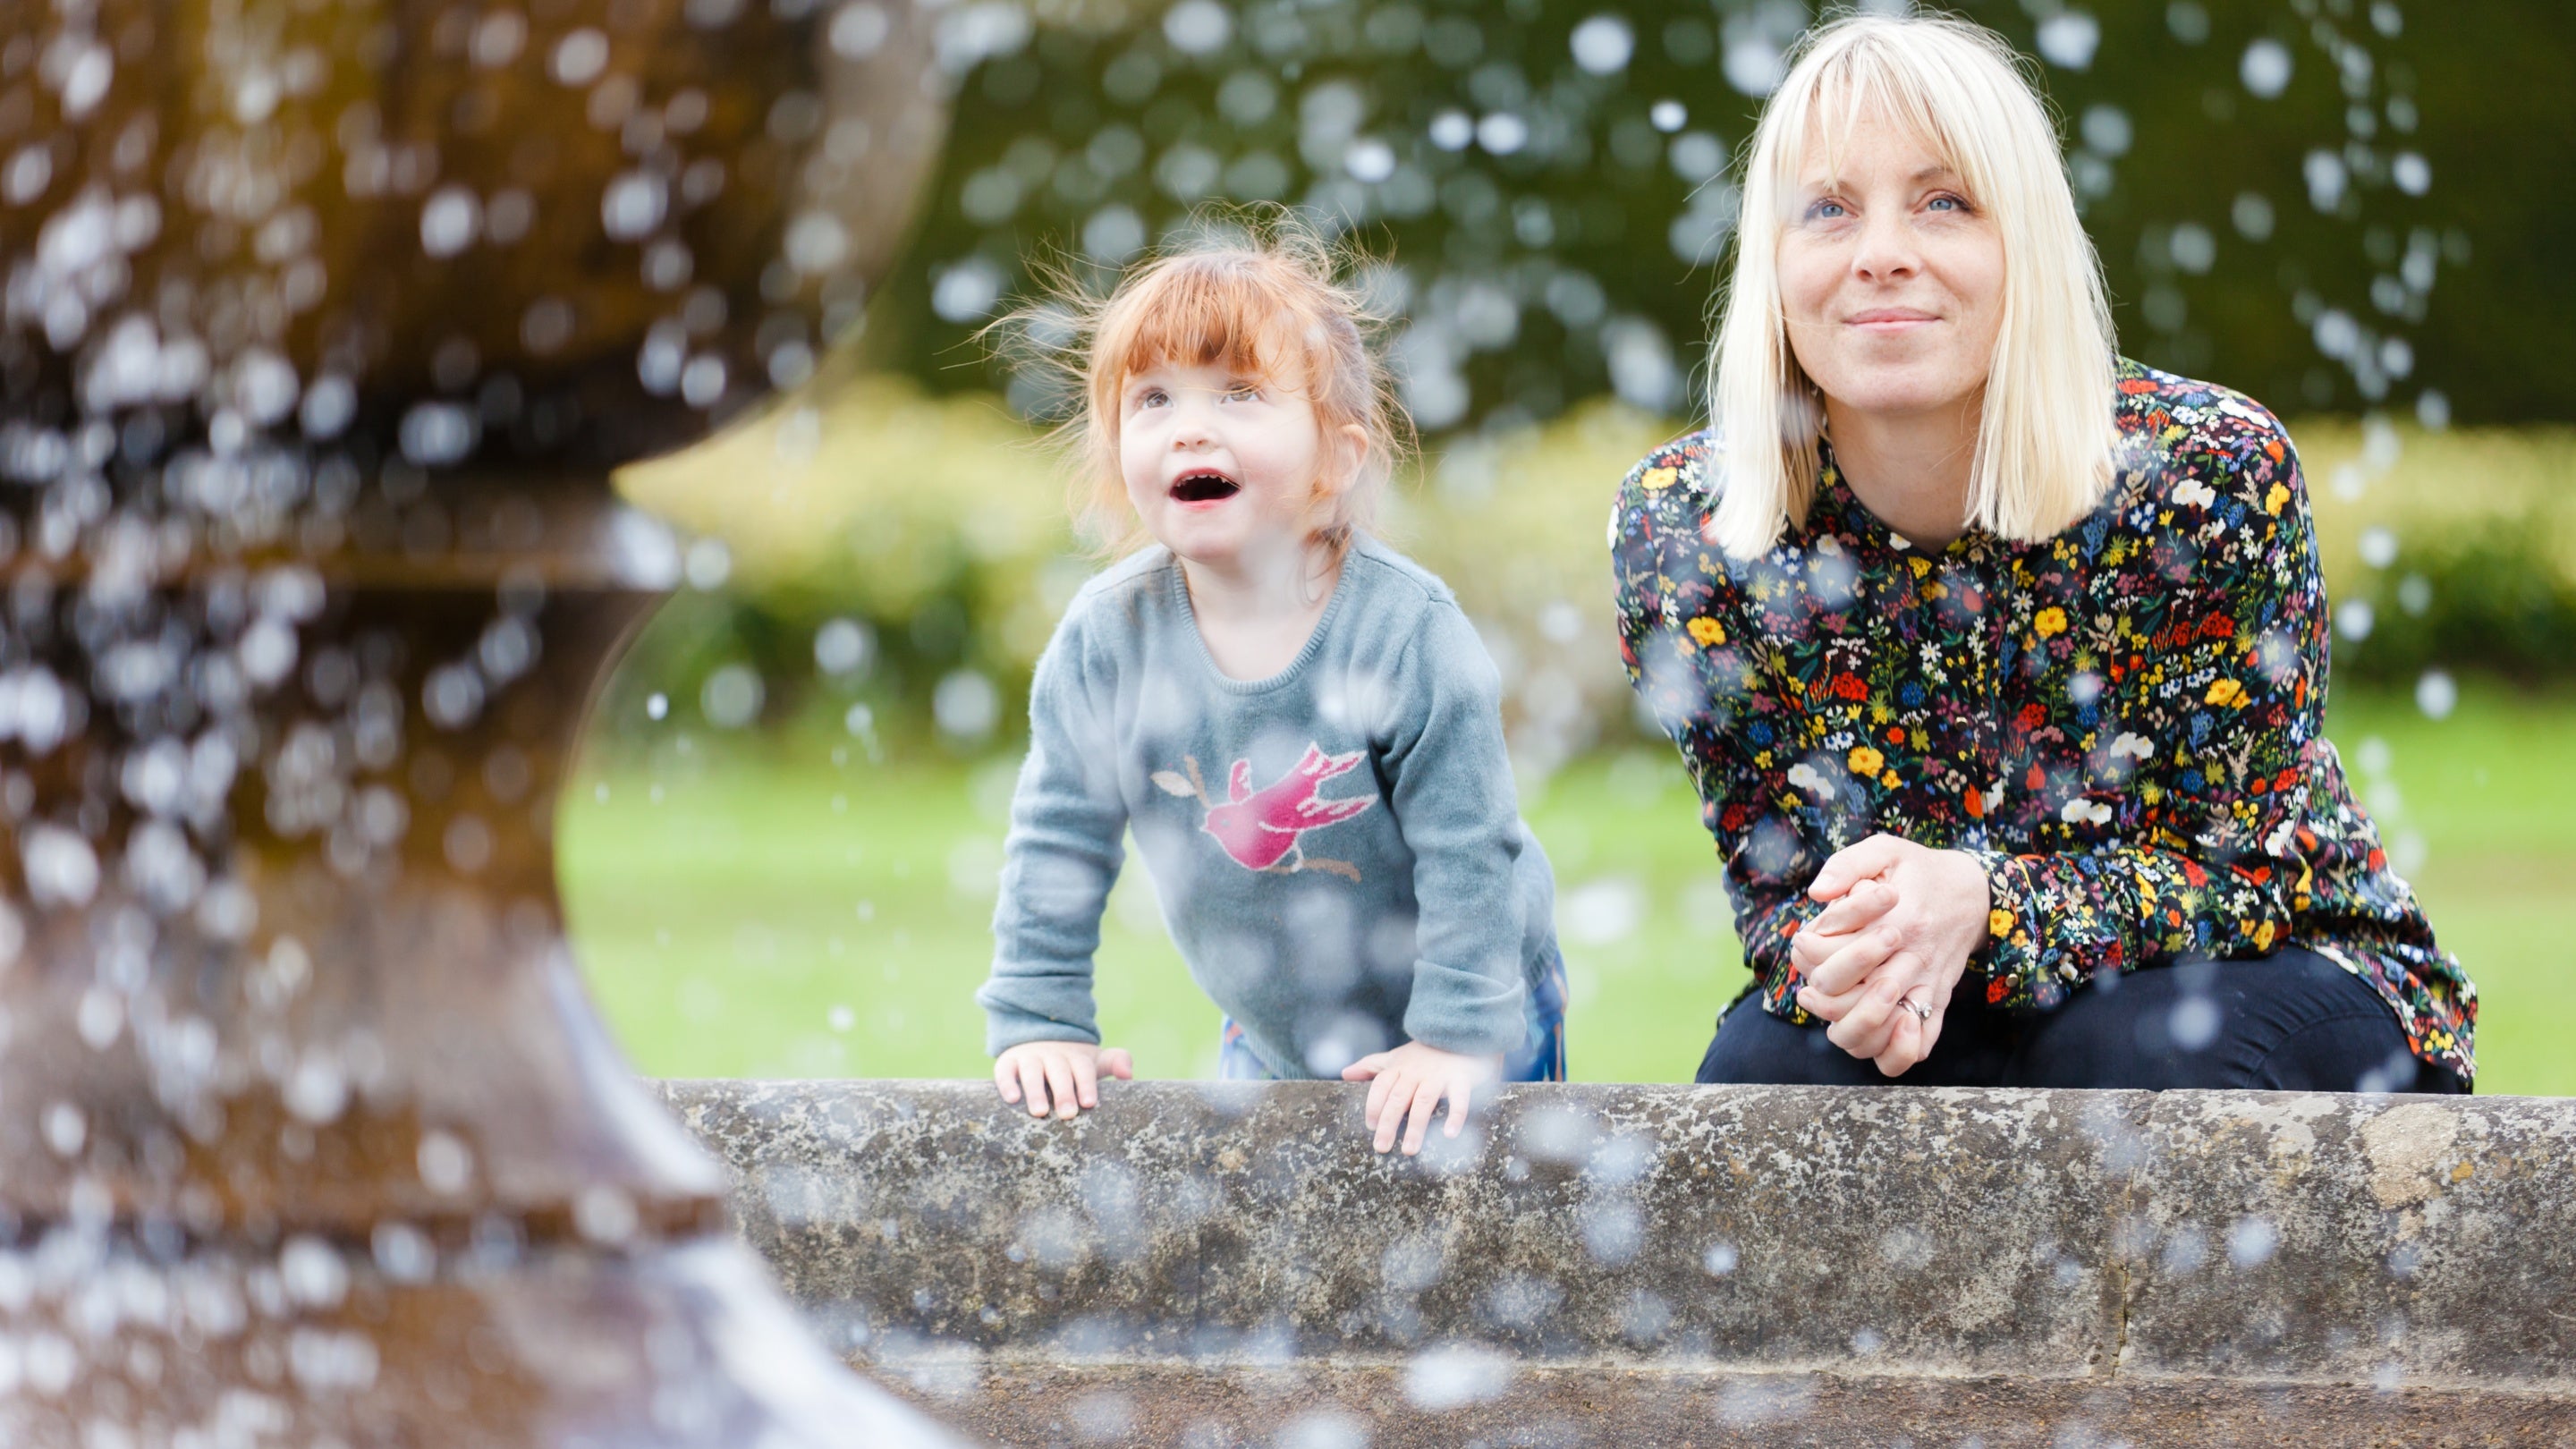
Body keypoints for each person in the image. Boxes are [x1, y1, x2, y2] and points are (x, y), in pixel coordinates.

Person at [1608, 14, 2473, 1093]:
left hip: (2272, 968)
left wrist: (1987, 899)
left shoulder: (2206, 478)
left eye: (1944, 202)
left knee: (2120, 1055)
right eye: (1827, 209)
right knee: (1771, 1070)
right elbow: (1778, 895)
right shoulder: (1681, 531)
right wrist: (1837, 966)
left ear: (2027, 245)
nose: (1881, 252)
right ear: (1772, 265)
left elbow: (2251, 868)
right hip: (1951, 994)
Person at [977, 216, 1568, 1154]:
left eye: (1241, 394)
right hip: (1273, 1021)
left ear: (1335, 457)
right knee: (1278, 1256)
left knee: (1475, 1247)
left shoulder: (1403, 631)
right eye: (1155, 399)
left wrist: (1456, 1039)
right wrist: (1040, 1016)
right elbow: (1060, 835)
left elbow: (1471, 850)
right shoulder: (1111, 638)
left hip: (1477, 995)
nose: (1191, 428)